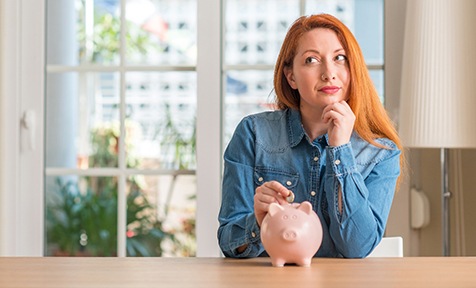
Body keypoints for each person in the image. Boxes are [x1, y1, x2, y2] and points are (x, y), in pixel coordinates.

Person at [217, 14, 404, 258]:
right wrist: (259, 222)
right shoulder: (253, 134)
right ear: (291, 77)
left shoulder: (380, 152)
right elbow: (229, 242)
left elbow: (357, 248)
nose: (329, 73)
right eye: (312, 60)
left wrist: (340, 150)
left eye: (340, 58)